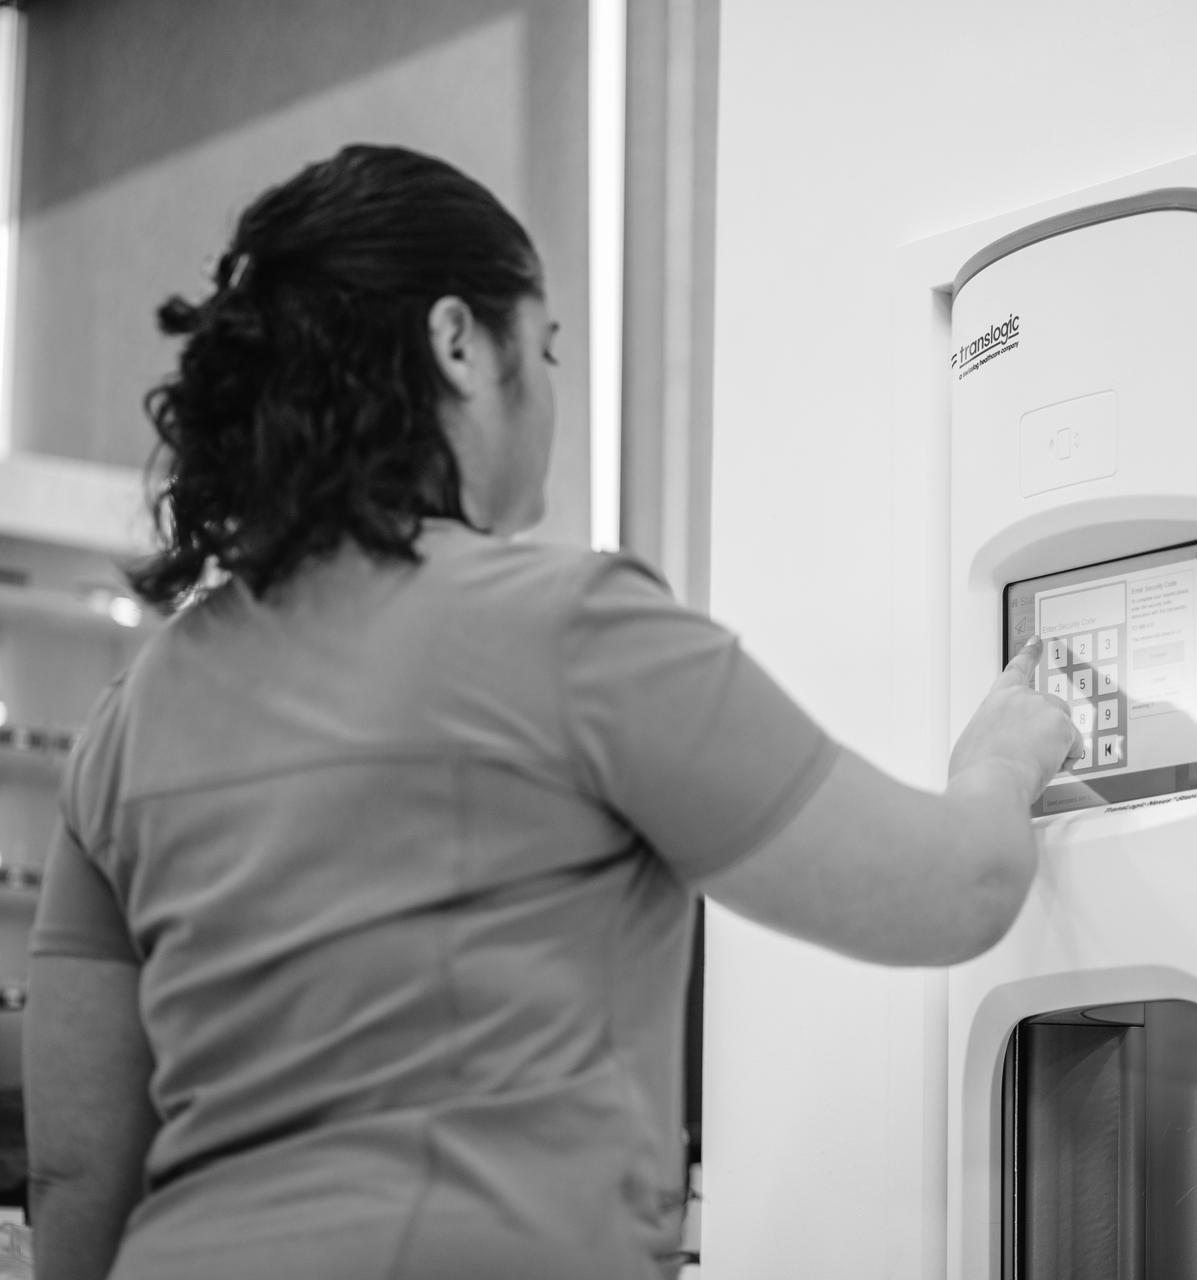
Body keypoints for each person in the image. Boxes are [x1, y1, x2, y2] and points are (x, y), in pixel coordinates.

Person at [24, 144, 1076, 1280]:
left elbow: (77, 1169)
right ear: (459, 342)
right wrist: (1001, 762)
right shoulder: (572, 629)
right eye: (549, 346)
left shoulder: (132, 713)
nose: (556, 387)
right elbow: (952, 893)